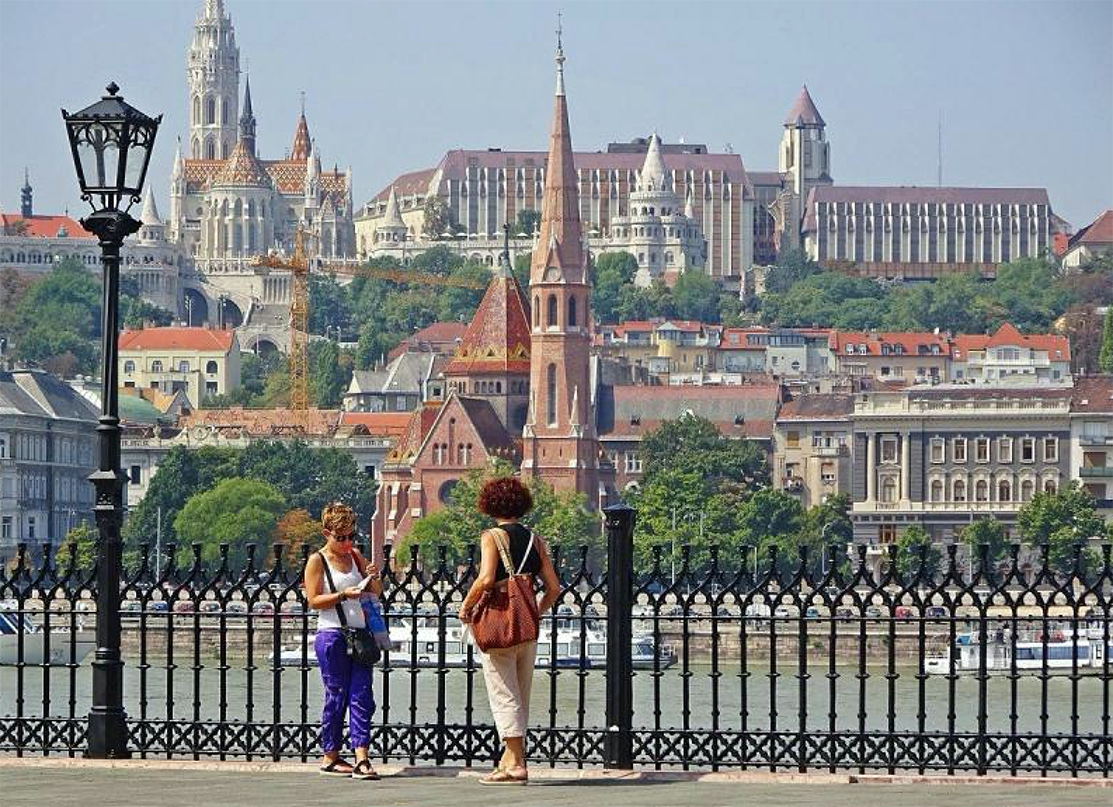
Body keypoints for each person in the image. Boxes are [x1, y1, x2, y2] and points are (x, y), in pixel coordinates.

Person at [459, 477, 561, 785]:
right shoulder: (535, 538)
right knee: (521, 691)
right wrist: (534, 612)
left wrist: (466, 606)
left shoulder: (492, 536)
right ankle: (509, 758)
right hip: (526, 624)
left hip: (498, 620)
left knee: (503, 691)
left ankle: (515, 763)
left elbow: (487, 578)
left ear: (490, 505)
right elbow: (554, 588)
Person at [304, 502, 381, 780]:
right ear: (327, 533)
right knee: (336, 696)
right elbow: (313, 600)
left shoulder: (356, 556)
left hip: (360, 635)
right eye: (341, 537)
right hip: (332, 635)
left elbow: (375, 593)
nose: (347, 542)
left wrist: (373, 576)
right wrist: (342, 595)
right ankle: (331, 755)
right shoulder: (318, 561)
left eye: (351, 536)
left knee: (362, 696)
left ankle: (362, 757)